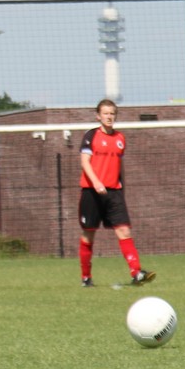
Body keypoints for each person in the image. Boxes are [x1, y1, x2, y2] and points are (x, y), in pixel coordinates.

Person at [78, 99, 156, 287]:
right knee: (88, 234)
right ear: (98, 116)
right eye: (105, 113)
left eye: (112, 113)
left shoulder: (120, 138)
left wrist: (123, 189)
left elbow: (120, 167)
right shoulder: (90, 135)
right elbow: (84, 162)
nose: (109, 117)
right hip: (91, 192)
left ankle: (136, 273)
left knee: (124, 230)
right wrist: (96, 182)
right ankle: (86, 277)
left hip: (114, 192)